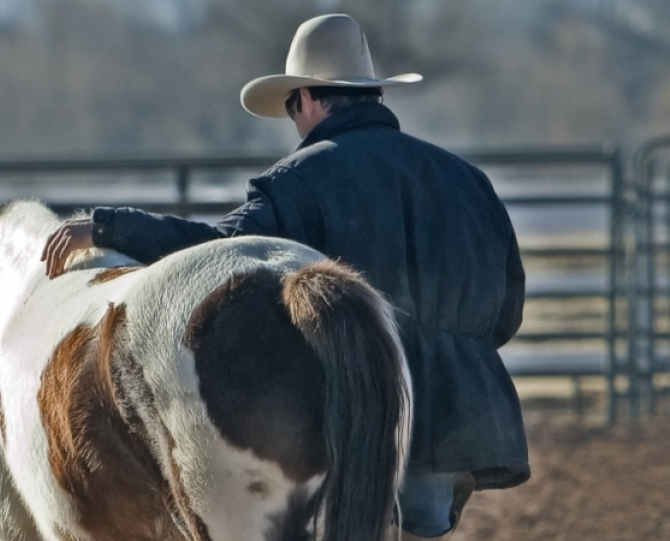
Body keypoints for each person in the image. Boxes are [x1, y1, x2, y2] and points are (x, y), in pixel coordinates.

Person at [41, 13, 528, 540]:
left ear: (309, 100)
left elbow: (212, 259)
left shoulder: (296, 182)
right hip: (456, 417)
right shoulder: (468, 182)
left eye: (292, 107)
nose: (294, 123)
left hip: (344, 414)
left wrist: (112, 226)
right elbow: (506, 311)